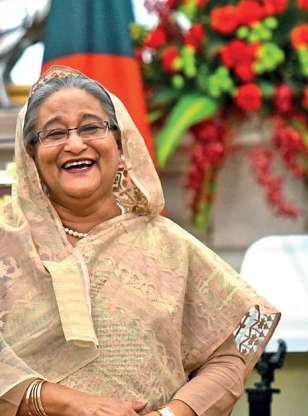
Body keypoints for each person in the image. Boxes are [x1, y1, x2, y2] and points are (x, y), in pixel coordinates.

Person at [0, 65, 280, 416]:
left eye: (91, 127)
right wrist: (63, 402)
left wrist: (172, 414)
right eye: (54, 133)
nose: (75, 144)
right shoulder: (8, 243)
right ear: (31, 155)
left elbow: (231, 352)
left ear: (120, 143)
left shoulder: (168, 246)